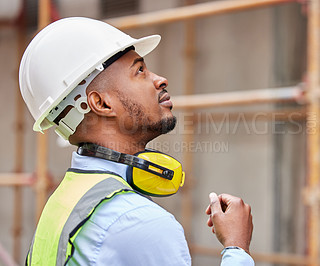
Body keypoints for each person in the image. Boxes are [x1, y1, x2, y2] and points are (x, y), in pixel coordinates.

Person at [19, 17, 253, 265]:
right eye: (139, 70)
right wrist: (237, 247)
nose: (160, 79)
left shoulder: (64, 201)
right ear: (101, 103)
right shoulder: (138, 221)